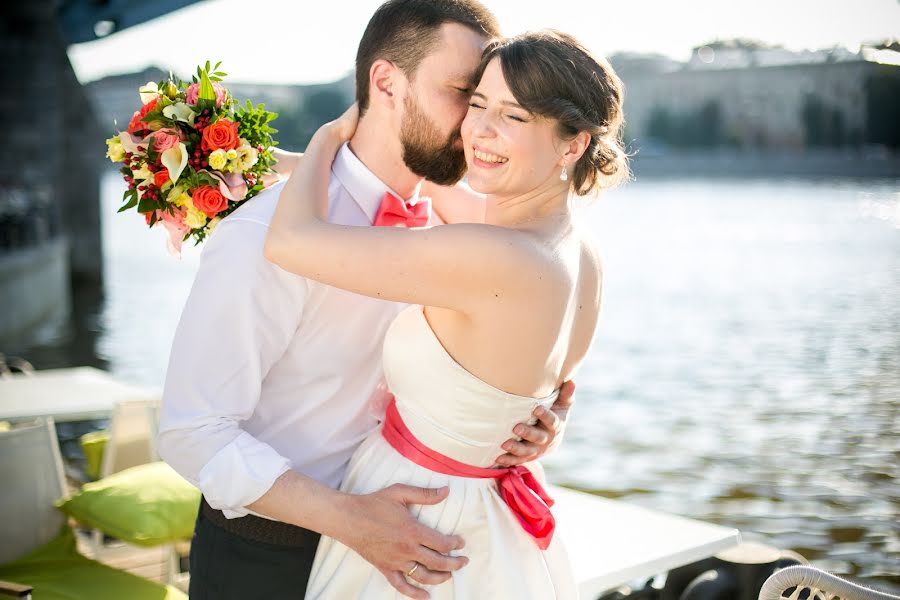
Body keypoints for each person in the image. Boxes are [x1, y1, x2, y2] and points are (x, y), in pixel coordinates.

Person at [156, 2, 575, 599]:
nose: (476, 125)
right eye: (462, 93)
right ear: (386, 83)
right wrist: (351, 520)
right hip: (270, 555)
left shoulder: (469, 227)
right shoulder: (263, 235)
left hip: (415, 546)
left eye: (486, 100)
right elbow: (191, 431)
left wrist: (529, 417)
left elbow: (536, 322)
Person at [265, 29, 629, 600]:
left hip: (419, 523)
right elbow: (432, 189)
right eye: (477, 104)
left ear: (573, 144)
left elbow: (290, 242)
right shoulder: (578, 248)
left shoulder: (491, 255)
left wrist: (327, 138)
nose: (479, 130)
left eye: (515, 117)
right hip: (486, 513)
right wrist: (281, 165)